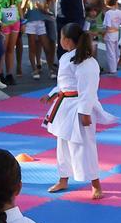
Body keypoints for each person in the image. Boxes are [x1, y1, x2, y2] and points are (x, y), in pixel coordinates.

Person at [42, 23, 115, 200]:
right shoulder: (66, 58)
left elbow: (88, 91)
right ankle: (63, 178)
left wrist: (84, 113)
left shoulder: (88, 63)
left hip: (79, 108)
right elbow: (63, 83)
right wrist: (52, 95)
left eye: (61, 37)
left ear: (66, 40)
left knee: (85, 146)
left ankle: (96, 184)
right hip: (64, 106)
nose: (60, 41)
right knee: (63, 144)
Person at [22, 0, 52, 80]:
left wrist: (42, 8)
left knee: (46, 46)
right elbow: (22, 10)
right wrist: (23, 21)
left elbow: (46, 10)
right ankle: (34, 69)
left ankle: (50, 68)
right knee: (32, 47)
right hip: (30, 22)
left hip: (40, 22)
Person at [100, 0, 121, 75]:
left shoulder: (108, 14)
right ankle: (115, 65)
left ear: (106, 3)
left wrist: (103, 34)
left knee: (110, 52)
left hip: (109, 34)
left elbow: (107, 26)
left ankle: (112, 70)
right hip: (116, 33)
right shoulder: (119, 12)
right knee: (115, 50)